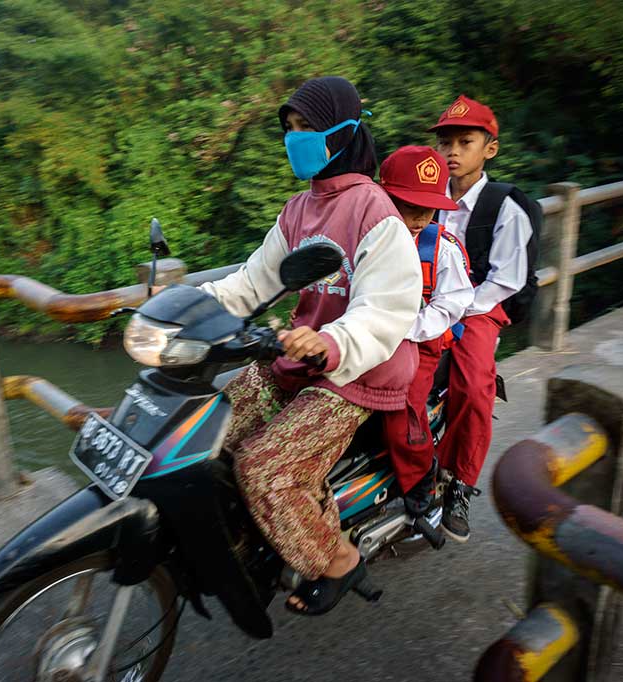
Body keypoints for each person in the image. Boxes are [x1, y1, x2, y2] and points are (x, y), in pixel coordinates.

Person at [198, 76, 422, 615]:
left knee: (263, 467)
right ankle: (256, 536)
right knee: (202, 434)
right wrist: (184, 308)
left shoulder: (376, 213)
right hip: (294, 359)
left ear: (344, 133)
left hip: (354, 375)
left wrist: (330, 341)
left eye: (309, 128)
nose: (296, 138)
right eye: (292, 128)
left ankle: (339, 560)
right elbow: (251, 282)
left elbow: (386, 309)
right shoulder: (298, 210)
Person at [429, 94, 534, 542]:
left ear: (489, 148)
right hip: (424, 299)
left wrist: (453, 308)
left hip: (478, 305)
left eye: (465, 141)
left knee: (473, 386)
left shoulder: (505, 207)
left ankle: (460, 482)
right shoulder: (427, 196)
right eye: (446, 142)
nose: (452, 152)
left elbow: (506, 279)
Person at [376, 146, 473, 520]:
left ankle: (421, 477)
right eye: (407, 206)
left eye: (429, 209)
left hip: (418, 344)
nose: (419, 218)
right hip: (370, 340)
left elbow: (453, 303)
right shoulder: (370, 242)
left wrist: (409, 330)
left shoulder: (440, 249)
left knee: (402, 407)